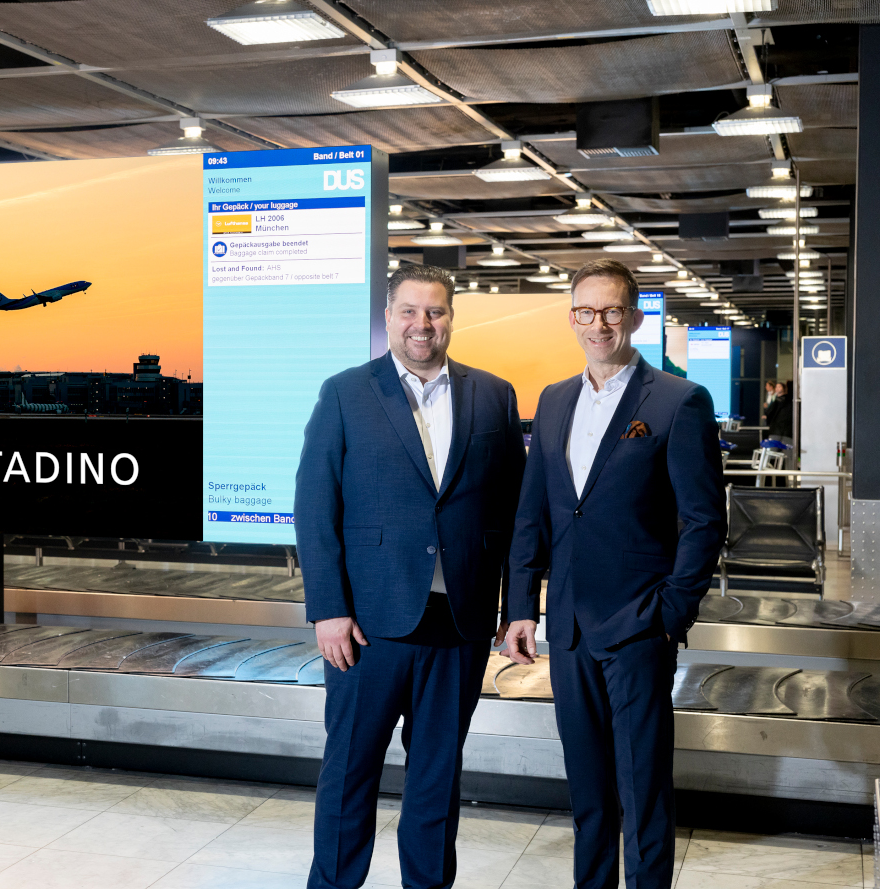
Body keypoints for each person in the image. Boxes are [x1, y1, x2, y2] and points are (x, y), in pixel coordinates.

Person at [296, 264, 526, 889]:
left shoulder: (493, 395)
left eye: (436, 312)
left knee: (436, 779)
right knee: (349, 775)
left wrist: (520, 606)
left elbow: (512, 511)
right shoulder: (346, 392)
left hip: (460, 625)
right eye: (409, 311)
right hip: (367, 627)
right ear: (389, 316)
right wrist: (328, 610)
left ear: (452, 316)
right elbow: (316, 508)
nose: (423, 325)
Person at [502, 258, 725, 889]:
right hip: (568, 626)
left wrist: (671, 612)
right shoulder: (553, 401)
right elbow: (534, 513)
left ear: (634, 317)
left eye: (611, 311)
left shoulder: (678, 400)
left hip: (638, 624)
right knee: (589, 791)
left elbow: (704, 519)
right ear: (571, 317)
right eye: (585, 311)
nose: (598, 324)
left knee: (644, 789)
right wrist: (522, 606)